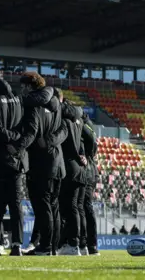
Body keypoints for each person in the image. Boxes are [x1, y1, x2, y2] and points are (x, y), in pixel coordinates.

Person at [0, 72, 66, 256]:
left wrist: (18, 148)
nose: (22, 90)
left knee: (43, 206)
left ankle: (45, 246)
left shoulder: (34, 107)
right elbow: (64, 130)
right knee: (53, 207)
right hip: (57, 161)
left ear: (30, 86)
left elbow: (31, 132)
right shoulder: (56, 107)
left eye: (24, 87)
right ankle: (52, 247)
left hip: (41, 163)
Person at [56, 91, 87, 256]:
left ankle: (73, 244)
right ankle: (81, 244)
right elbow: (85, 140)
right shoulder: (79, 121)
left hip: (68, 167)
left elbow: (60, 141)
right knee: (76, 207)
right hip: (79, 167)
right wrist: (85, 155)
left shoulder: (64, 121)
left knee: (70, 208)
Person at [80, 112, 99, 256]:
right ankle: (90, 244)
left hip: (87, 171)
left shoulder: (83, 126)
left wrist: (86, 156)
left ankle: (88, 244)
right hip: (91, 170)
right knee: (86, 207)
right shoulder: (90, 126)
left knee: (84, 207)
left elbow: (92, 142)